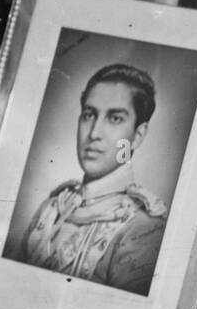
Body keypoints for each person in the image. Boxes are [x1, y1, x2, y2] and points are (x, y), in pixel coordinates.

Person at [15, 63, 167, 296]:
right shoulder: (53, 207)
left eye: (115, 118)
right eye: (89, 115)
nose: (94, 132)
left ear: (137, 136)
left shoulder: (143, 226)